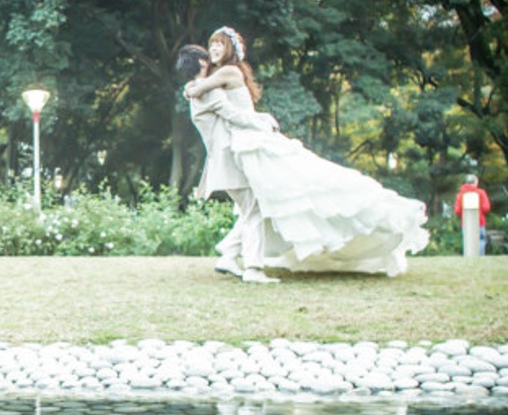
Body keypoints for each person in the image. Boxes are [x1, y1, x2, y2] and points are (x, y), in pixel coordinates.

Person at [180, 26, 430, 277]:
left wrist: (195, 89)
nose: (214, 48)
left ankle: (231, 254)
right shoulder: (224, 75)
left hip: (254, 141)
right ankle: (239, 259)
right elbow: (205, 94)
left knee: (274, 199)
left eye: (219, 44)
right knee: (268, 201)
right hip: (251, 141)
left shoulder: (228, 72)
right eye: (211, 44)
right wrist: (194, 90)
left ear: (230, 49)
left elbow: (205, 92)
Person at [177, 42, 280, 284]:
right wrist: (265, 123)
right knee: (254, 210)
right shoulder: (207, 92)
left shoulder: (195, 89)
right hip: (228, 159)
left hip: (222, 160)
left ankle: (228, 254)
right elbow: (234, 115)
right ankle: (253, 269)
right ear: (203, 63)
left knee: (250, 209)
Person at [454, 174, 491, 255]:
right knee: (481, 240)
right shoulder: (481, 193)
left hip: (466, 223)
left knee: (468, 241)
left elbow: (457, 211)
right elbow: (486, 208)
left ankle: (468, 257)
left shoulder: (460, 195)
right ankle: (479, 258)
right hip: (480, 222)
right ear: (476, 182)